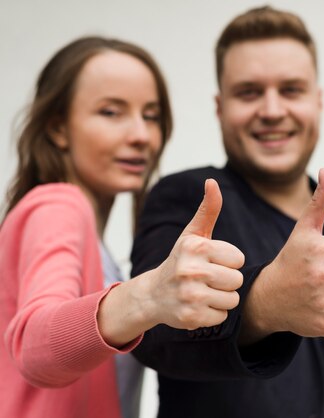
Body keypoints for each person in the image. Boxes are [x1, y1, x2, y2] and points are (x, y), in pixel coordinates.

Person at [131, 6, 324, 418]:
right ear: (220, 108)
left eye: (291, 90)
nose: (272, 110)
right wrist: (263, 304)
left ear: (318, 101)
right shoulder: (186, 200)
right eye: (249, 92)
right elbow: (151, 332)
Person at [0, 36, 246, 418]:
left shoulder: (89, 240)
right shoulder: (58, 206)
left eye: (150, 115)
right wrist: (147, 297)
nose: (140, 135)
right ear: (58, 128)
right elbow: (35, 345)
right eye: (111, 112)